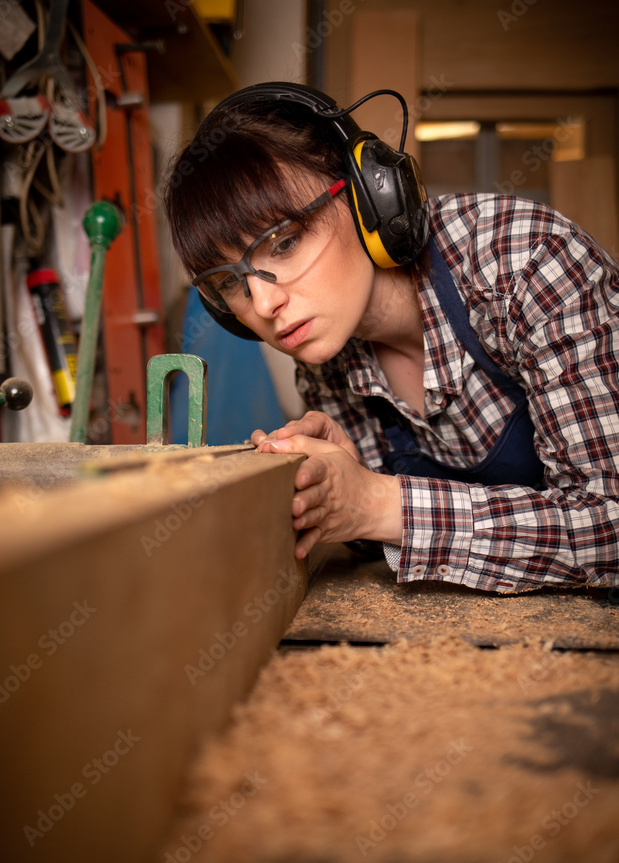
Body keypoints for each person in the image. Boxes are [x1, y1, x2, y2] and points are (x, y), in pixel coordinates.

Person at [164, 82, 619, 594]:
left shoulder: (524, 262)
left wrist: (378, 502)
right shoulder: (324, 360)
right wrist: (336, 488)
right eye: (231, 283)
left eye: (285, 243)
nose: (265, 306)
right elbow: (383, 533)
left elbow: (610, 524)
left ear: (368, 196)